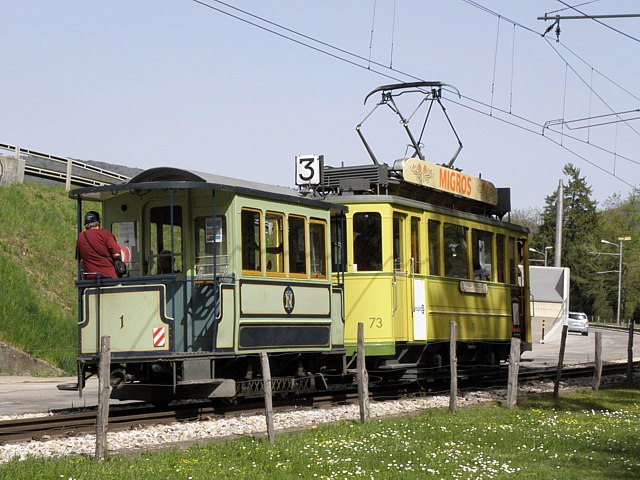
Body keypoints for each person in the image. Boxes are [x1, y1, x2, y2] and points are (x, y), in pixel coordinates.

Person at [76, 210, 121, 279]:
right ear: (98, 222)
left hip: (90, 278)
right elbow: (116, 254)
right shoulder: (105, 234)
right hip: (109, 276)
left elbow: (80, 258)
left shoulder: (81, 237)